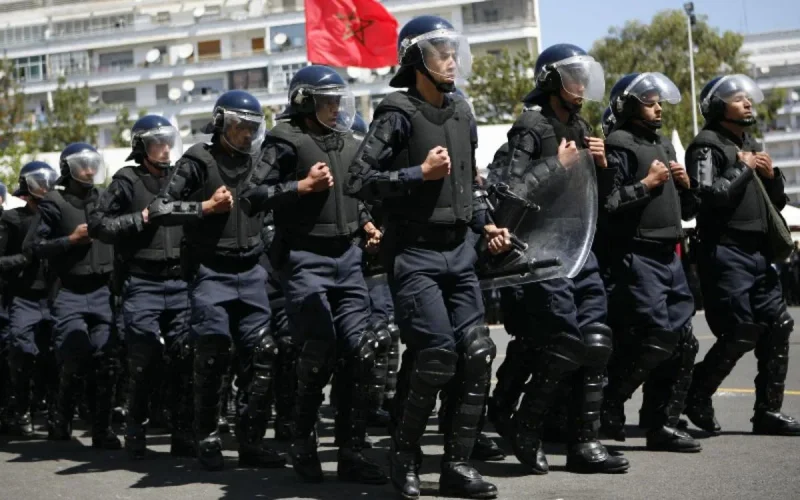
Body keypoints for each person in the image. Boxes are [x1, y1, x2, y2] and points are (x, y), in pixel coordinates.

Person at [346, 15, 511, 500]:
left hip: (460, 252)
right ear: (417, 59)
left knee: (478, 353)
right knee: (436, 355)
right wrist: (417, 173)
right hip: (414, 254)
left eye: (453, 51)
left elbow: (470, 185)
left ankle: (457, 466)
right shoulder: (395, 111)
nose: (451, 60)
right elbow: (358, 180)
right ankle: (403, 457)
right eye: (441, 52)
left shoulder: (462, 111)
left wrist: (487, 223)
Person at [490, 43, 629, 475]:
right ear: (551, 80)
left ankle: (584, 443)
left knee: (596, 342)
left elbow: (598, 199)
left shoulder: (584, 124)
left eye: (584, 76)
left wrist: (602, 166)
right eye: (572, 76)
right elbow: (508, 192)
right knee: (564, 343)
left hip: (580, 244)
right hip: (542, 250)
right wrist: (557, 164)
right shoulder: (530, 128)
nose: (581, 85)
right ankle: (524, 426)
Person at [145, 90, 294, 470]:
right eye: (239, 126)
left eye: (252, 127)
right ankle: (207, 438)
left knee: (261, 355)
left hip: (251, 271)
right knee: (212, 354)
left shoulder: (261, 161)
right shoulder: (199, 158)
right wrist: (203, 208)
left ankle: (251, 443)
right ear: (221, 123)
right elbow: (160, 207)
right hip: (210, 271)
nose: (246, 134)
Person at [264, 64, 388, 484]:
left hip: (349, 260)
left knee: (360, 352)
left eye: (339, 100)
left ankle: (352, 452)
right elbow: (251, 195)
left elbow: (356, 194)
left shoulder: (352, 141)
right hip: (305, 260)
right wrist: (299, 187)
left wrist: (368, 223)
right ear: (304, 102)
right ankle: (302, 443)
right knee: (318, 354)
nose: (335, 108)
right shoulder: (284, 140)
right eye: (326, 101)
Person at [683, 74, 800, 436]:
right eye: (738, 98)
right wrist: (743, 166)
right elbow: (707, 196)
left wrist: (770, 175)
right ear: (718, 107)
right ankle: (696, 394)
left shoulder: (749, 144)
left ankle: (768, 412)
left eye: (748, 98)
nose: (748, 103)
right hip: (724, 250)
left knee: (778, 325)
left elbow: (775, 202)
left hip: (758, 251)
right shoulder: (706, 146)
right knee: (739, 330)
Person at [600, 72, 702, 452]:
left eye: (660, 100)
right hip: (636, 254)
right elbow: (609, 204)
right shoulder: (618, 145)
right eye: (649, 100)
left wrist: (685, 184)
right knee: (655, 337)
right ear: (628, 105)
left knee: (681, 341)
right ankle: (607, 403)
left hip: (670, 254)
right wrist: (648, 183)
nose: (658, 107)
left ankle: (662, 423)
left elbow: (688, 210)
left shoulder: (664, 146)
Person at [87, 115, 194, 459]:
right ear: (140, 147)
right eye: (155, 143)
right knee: (144, 360)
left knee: (184, 358)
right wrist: (141, 219)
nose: (164, 149)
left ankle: (183, 433)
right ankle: (135, 430)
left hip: (180, 280)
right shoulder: (126, 180)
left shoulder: (183, 177)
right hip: (143, 283)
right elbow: (98, 225)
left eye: (167, 142)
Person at [23, 143, 120, 448]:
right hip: (70, 292)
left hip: (103, 290)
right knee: (74, 357)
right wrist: (69, 240)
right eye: (82, 165)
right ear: (69, 169)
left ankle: (102, 429)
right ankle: (61, 417)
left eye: (93, 164)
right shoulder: (53, 202)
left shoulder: (106, 199)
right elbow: (33, 247)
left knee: (107, 360)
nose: (89, 171)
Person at [0, 162, 59, 437]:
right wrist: (21, 260)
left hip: (53, 295)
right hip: (23, 296)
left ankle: (48, 407)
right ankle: (21, 407)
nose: (44, 188)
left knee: (52, 355)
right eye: (38, 183)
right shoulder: (12, 220)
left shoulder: (59, 216)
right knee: (22, 351)